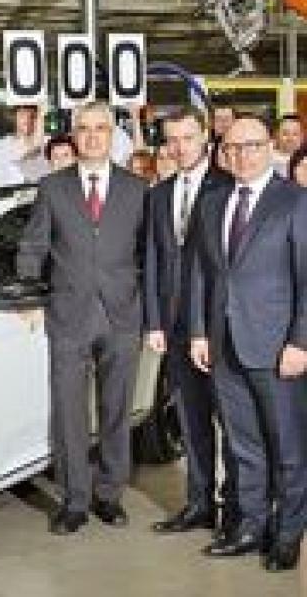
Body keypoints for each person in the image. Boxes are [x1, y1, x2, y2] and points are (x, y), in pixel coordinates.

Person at [17, 101, 148, 535]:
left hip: (121, 315)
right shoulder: (52, 187)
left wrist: (149, 311)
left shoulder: (137, 188)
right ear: (74, 136)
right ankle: (74, 501)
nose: (92, 136)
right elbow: (33, 247)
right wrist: (29, 296)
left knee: (116, 409)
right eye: (84, 129)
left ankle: (108, 494)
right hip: (68, 314)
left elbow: (149, 254)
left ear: (112, 135)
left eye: (100, 129)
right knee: (69, 412)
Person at [189, 114, 307, 571]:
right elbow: (201, 273)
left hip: (278, 348)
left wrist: (300, 342)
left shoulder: (295, 201)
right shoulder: (212, 202)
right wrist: (199, 331)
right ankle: (250, 527)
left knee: (288, 448)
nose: (242, 155)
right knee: (243, 446)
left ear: (269, 147)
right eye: (233, 147)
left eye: (252, 145)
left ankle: (288, 534)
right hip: (224, 345)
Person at [143, 108, 234, 536]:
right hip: (176, 326)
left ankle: (236, 507)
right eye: (172, 140)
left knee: (232, 422)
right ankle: (200, 503)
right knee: (192, 420)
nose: (180, 147)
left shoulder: (227, 188)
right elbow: (153, 259)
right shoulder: (159, 194)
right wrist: (154, 322)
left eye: (188, 138)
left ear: (205, 139)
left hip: (221, 326)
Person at [7, 105, 49, 181]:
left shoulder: (49, 142)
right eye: (22, 115)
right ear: (15, 118)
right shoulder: (7, 144)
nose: (27, 120)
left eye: (32, 116)